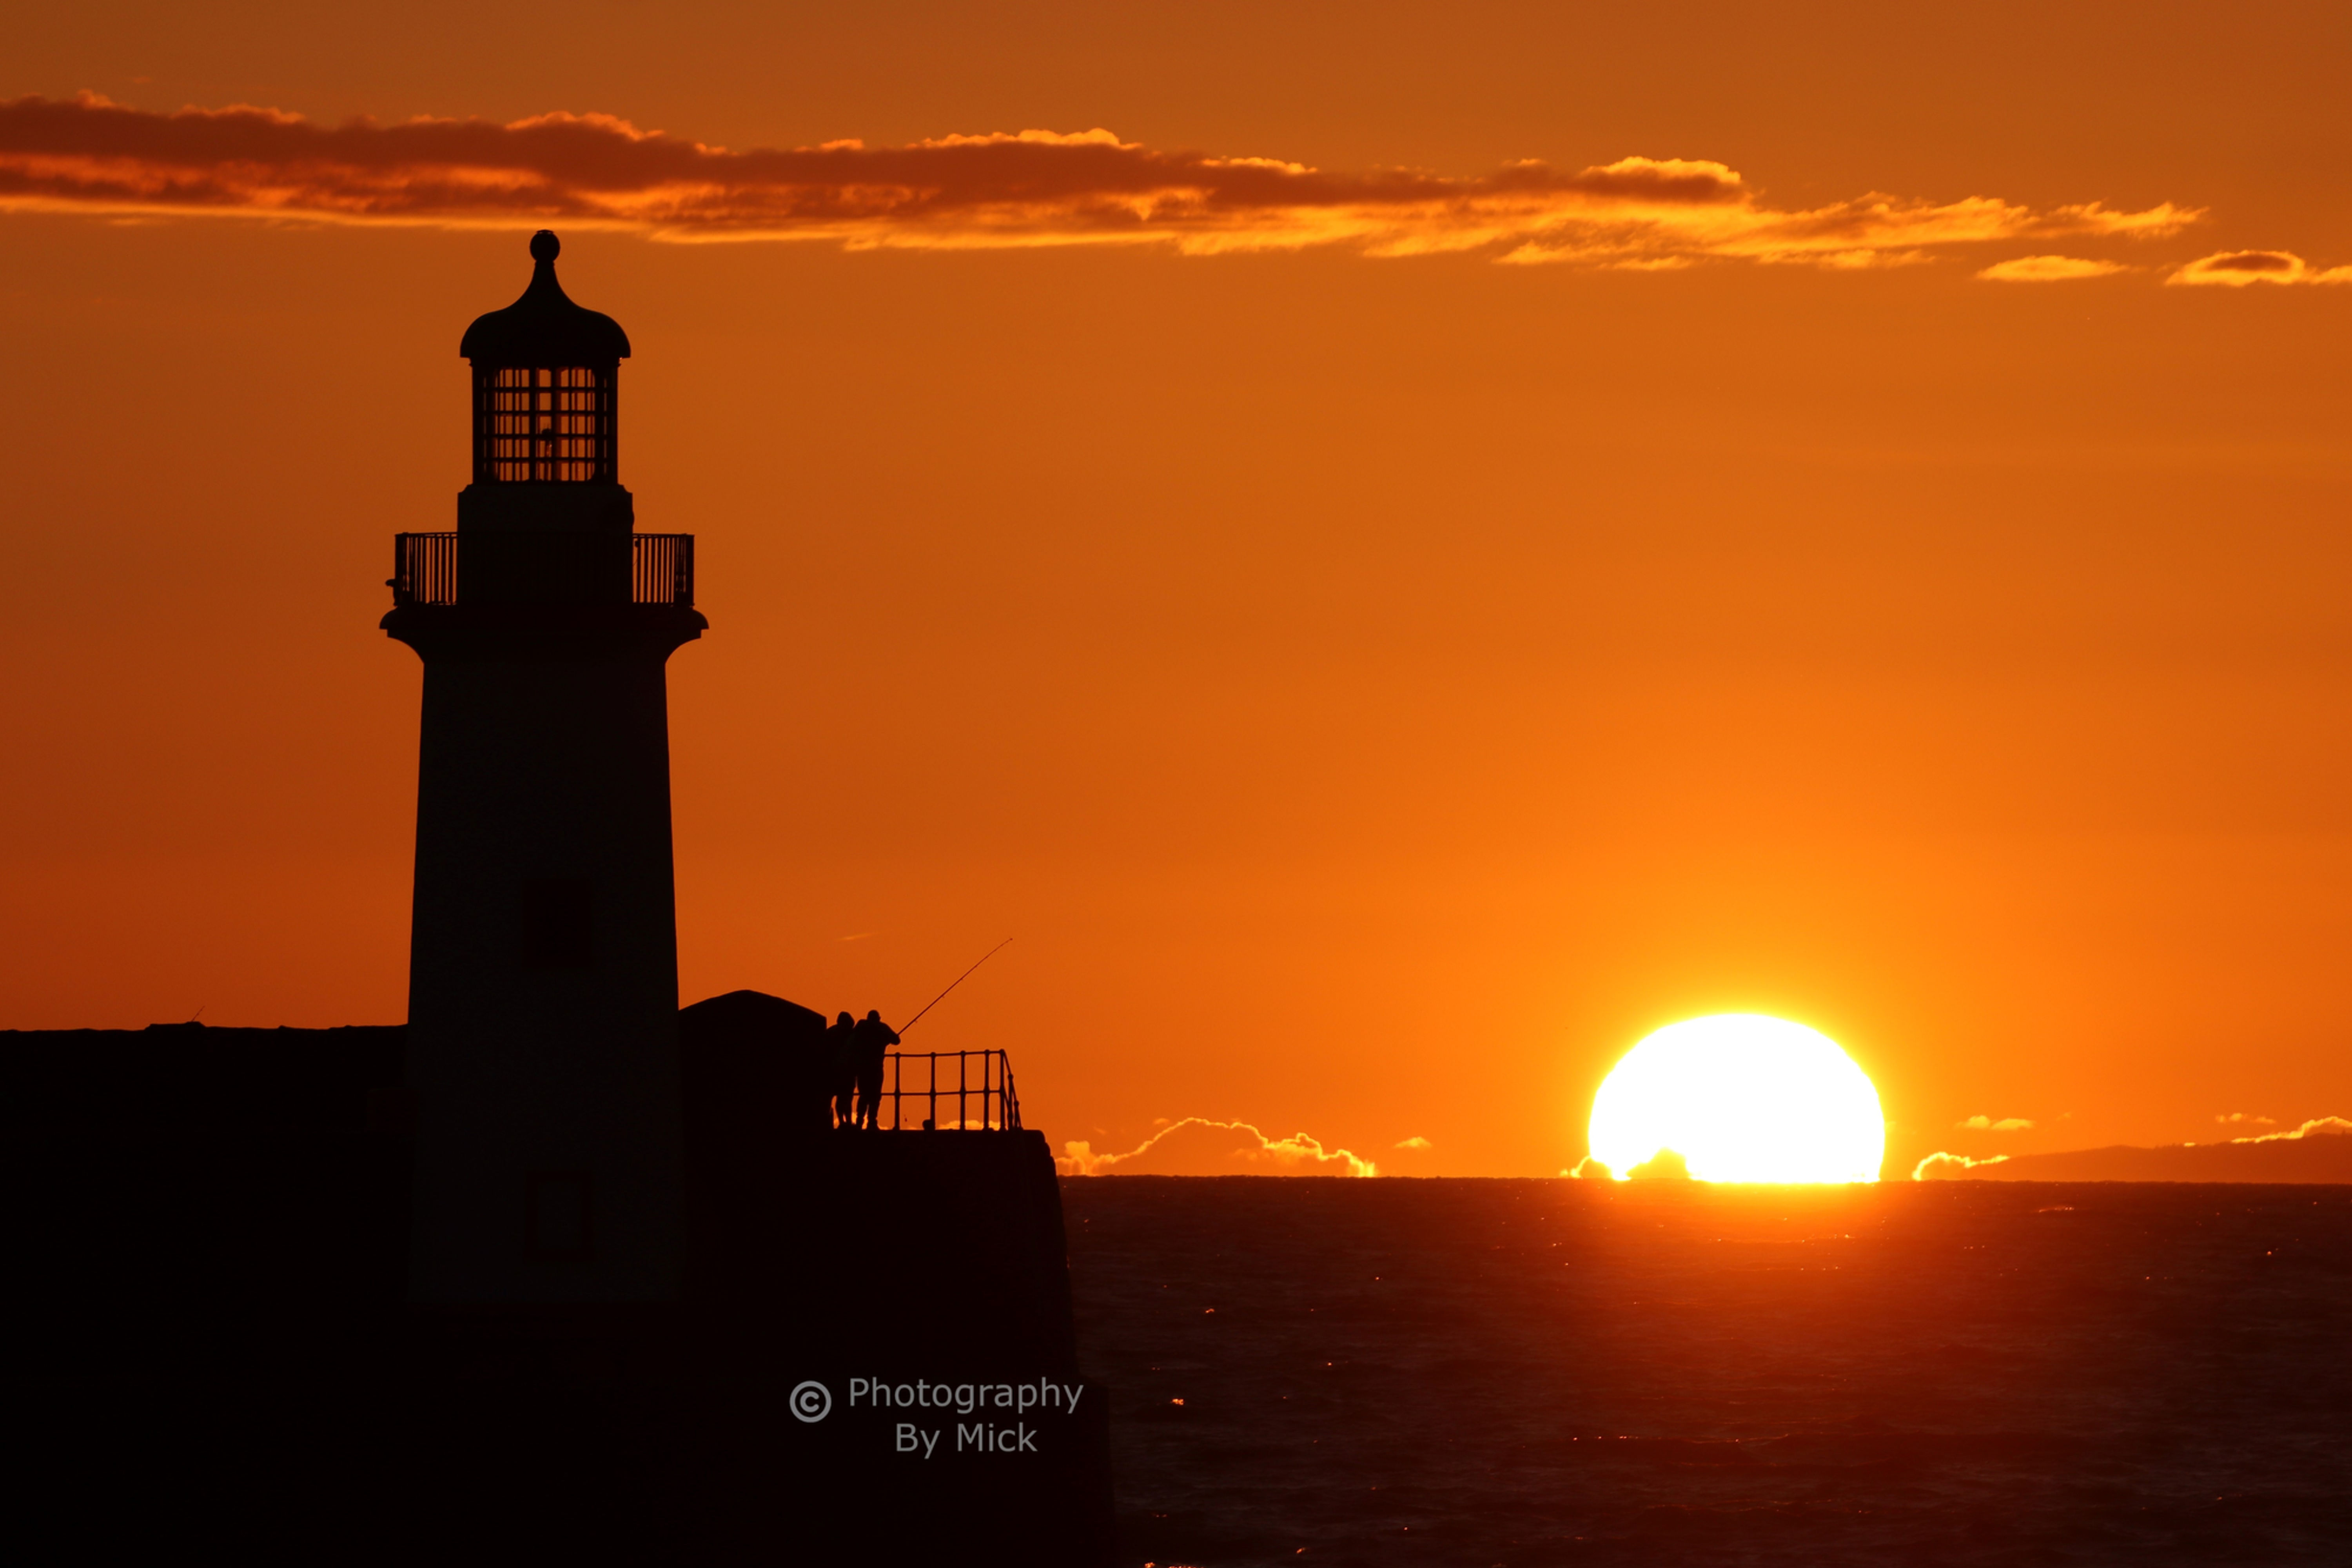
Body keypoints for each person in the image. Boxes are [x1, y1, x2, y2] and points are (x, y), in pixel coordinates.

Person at [852, 1009, 900, 1131]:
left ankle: (859, 1122)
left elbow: (852, 1039)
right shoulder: (882, 1028)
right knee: (875, 1096)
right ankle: (872, 1122)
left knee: (863, 1096)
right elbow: (897, 1041)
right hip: (876, 1068)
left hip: (861, 1067)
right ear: (879, 1018)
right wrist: (885, 1040)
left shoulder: (861, 1025)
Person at [827, 1011, 858, 1129]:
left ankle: (841, 1122)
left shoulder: (830, 1033)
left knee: (833, 1097)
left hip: (832, 1070)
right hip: (848, 1071)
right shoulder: (852, 1035)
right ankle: (848, 1123)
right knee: (847, 1099)